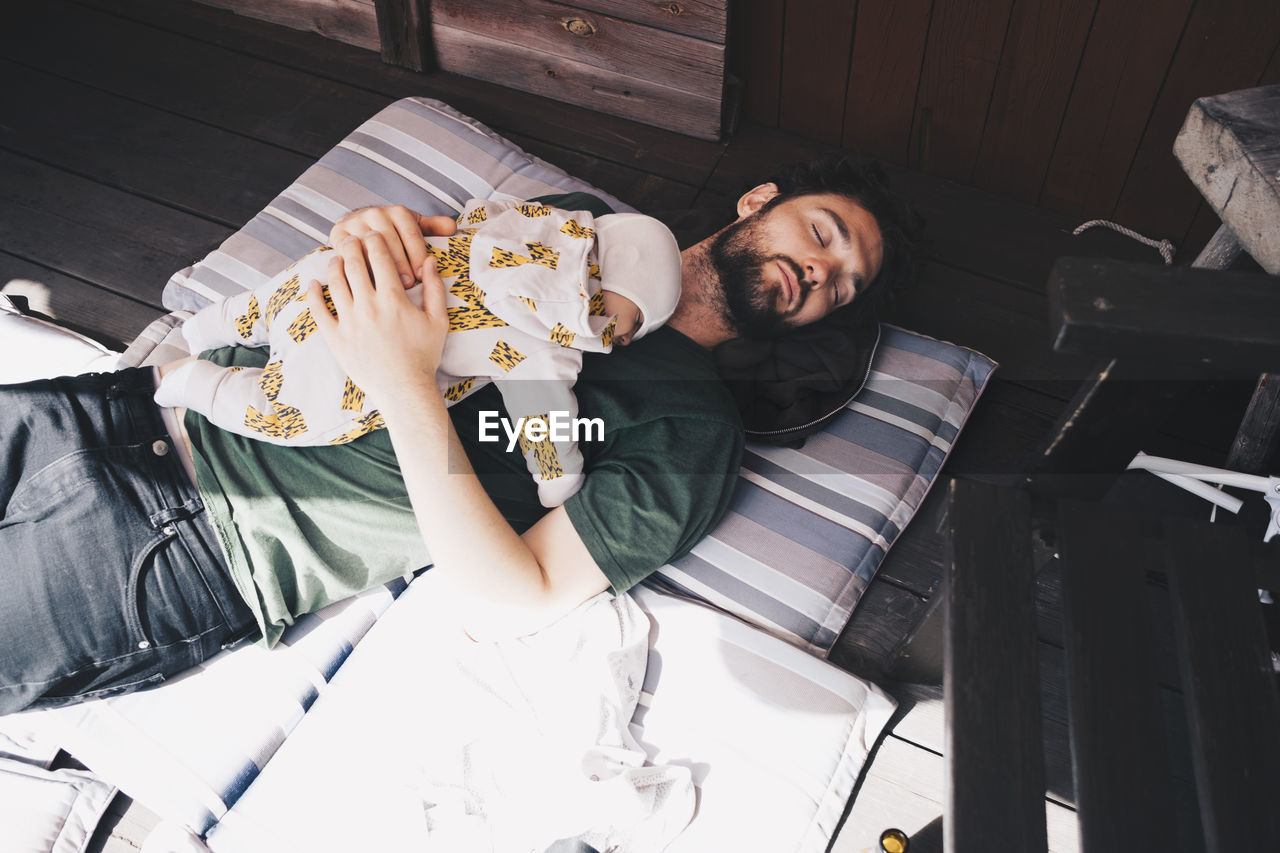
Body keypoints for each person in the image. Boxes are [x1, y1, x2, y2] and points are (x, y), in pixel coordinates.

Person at [0, 156, 915, 714]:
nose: (819, 270)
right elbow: (395, 263)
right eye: (825, 234)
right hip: (123, 404)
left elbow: (515, 600)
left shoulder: (692, 436)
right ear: (760, 201)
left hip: (196, 544)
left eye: (842, 285)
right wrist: (365, 239)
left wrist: (404, 383)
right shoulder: (576, 224)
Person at [154, 199, 682, 508]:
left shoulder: (508, 226)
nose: (624, 338)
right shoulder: (541, 340)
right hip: (348, 357)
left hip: (335, 271)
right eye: (631, 322)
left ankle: (208, 324)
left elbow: (421, 228)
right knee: (295, 416)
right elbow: (542, 412)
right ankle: (200, 383)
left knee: (269, 303)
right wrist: (556, 477)